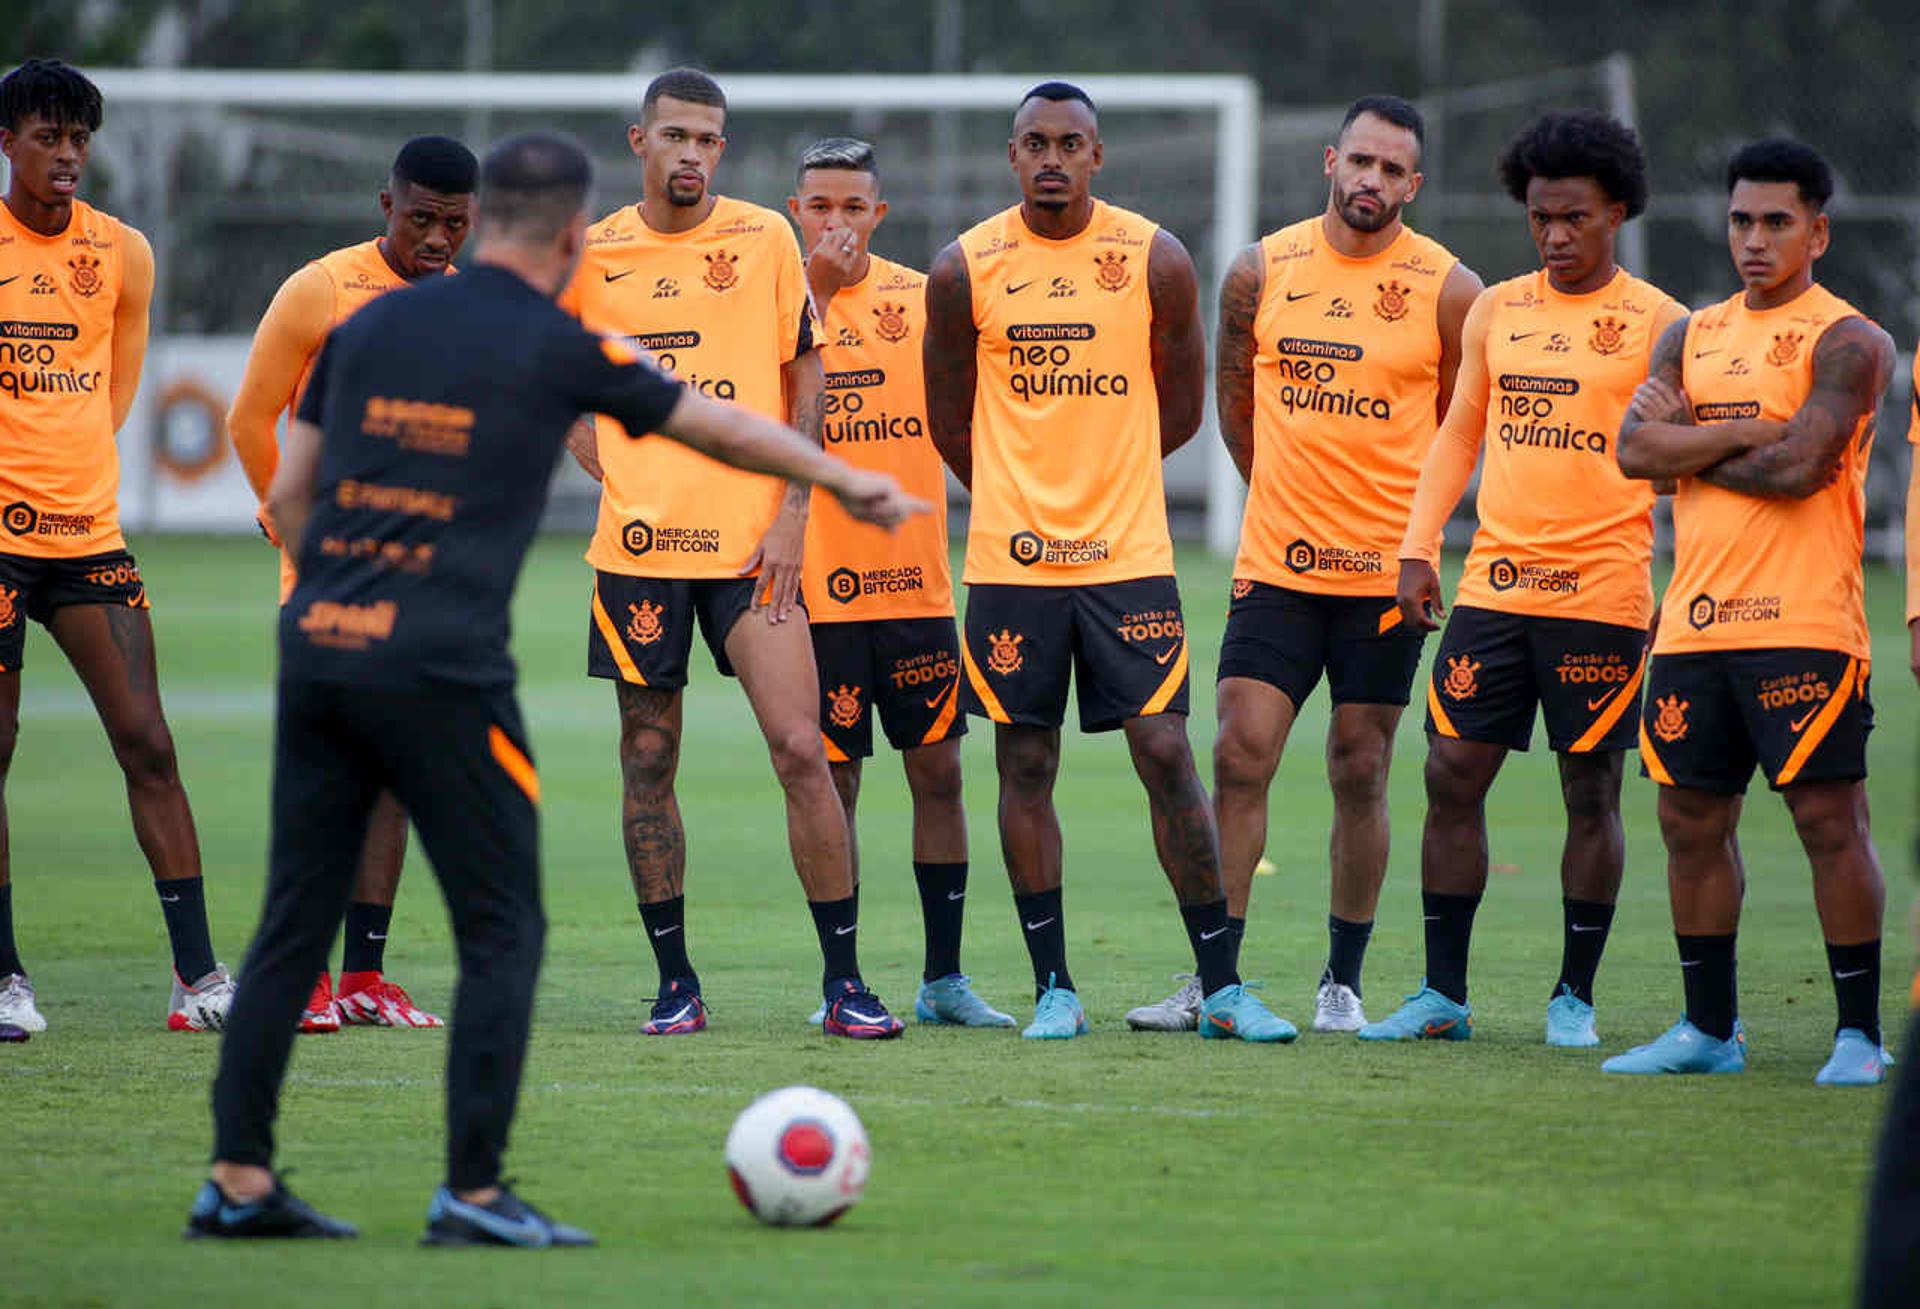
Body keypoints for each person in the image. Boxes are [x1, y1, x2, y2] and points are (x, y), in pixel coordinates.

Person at [190, 130, 926, 1244]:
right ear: (576, 232)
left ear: (482, 223)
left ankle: (237, 1181)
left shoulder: (368, 322)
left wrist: (341, 584)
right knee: (502, 929)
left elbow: (291, 492)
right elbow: (713, 420)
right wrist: (836, 477)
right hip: (441, 670)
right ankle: (473, 1193)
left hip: (323, 647)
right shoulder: (552, 340)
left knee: (292, 926)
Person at [924, 80, 1291, 1042]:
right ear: (1012, 156)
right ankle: (1054, 987)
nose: (1052, 158)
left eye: (1070, 143)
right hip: (1012, 564)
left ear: (1098, 155)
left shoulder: (1154, 257)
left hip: (1128, 554)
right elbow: (946, 419)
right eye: (1035, 143)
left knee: (1166, 752)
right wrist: (1018, 492)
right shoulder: (965, 267)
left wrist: (1104, 477)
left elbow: (1180, 410)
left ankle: (1221, 986)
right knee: (1026, 759)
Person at [1130, 94, 1480, 1034]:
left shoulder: (1450, 289)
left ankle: (1342, 983)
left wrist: (1417, 541)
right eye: (1358, 161)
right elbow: (1236, 403)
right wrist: (1281, 498)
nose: (1371, 180)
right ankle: (1216, 978)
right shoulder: (1262, 268)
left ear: (1415, 183)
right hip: (1278, 567)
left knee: (1359, 770)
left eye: (1391, 168)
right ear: (1331, 161)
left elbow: (1463, 425)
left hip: (1385, 580)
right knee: (1238, 754)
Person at [564, 68, 903, 1038]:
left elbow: (808, 378)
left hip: (756, 554)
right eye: (676, 136)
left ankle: (845, 981)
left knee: (803, 747)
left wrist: (794, 513)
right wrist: (610, 468)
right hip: (639, 555)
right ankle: (676, 983)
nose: (693, 154)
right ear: (641, 143)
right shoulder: (592, 256)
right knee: (646, 757)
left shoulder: (762, 241)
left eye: (709, 140)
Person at [1358, 111, 1684, 1046]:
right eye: (1541, 218)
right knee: (1451, 773)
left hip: (1602, 595)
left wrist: (1680, 574)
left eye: (1574, 218)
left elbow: (1679, 468)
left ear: (1616, 212)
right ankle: (1442, 995)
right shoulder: (1500, 307)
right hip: (1494, 590)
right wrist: (1418, 548)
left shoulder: (1662, 323)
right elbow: (1460, 432)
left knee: (1592, 791)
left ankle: (1573, 997)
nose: (1554, 236)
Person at [1607, 139, 1895, 1084]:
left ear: (1818, 230)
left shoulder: (1849, 340)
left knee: (1827, 822)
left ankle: (1858, 1034)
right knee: (1690, 822)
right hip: (1692, 625)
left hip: (1807, 624)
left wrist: (1684, 441)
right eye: (1741, 220)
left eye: (1777, 222)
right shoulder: (1688, 334)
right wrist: (1736, 430)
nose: (1755, 239)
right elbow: (1632, 455)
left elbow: (1803, 466)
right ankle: (1708, 1030)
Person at [0, 58, 233, 1034]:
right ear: (8, 141)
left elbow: (115, 390)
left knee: (148, 741)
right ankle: (8, 978)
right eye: (49, 137)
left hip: (85, 534)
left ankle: (198, 980)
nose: (68, 156)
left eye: (80, 139)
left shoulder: (123, 253)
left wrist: (71, 483)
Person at [226, 135, 478, 1034]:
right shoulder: (322, 289)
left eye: (454, 222)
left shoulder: (465, 309)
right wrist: (285, 519)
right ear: (387, 207)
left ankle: (364, 974)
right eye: (421, 220)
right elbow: (251, 417)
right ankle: (297, 974)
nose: (438, 239)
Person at [785, 137, 1011, 1027]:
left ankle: (944, 979)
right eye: (819, 206)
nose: (836, 222)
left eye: (852, 207)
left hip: (915, 589)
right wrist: (814, 289)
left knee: (941, 775)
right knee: (832, 782)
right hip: (814, 592)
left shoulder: (926, 302)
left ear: (880, 215)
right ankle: (840, 977)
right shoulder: (776, 305)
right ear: (795, 211)